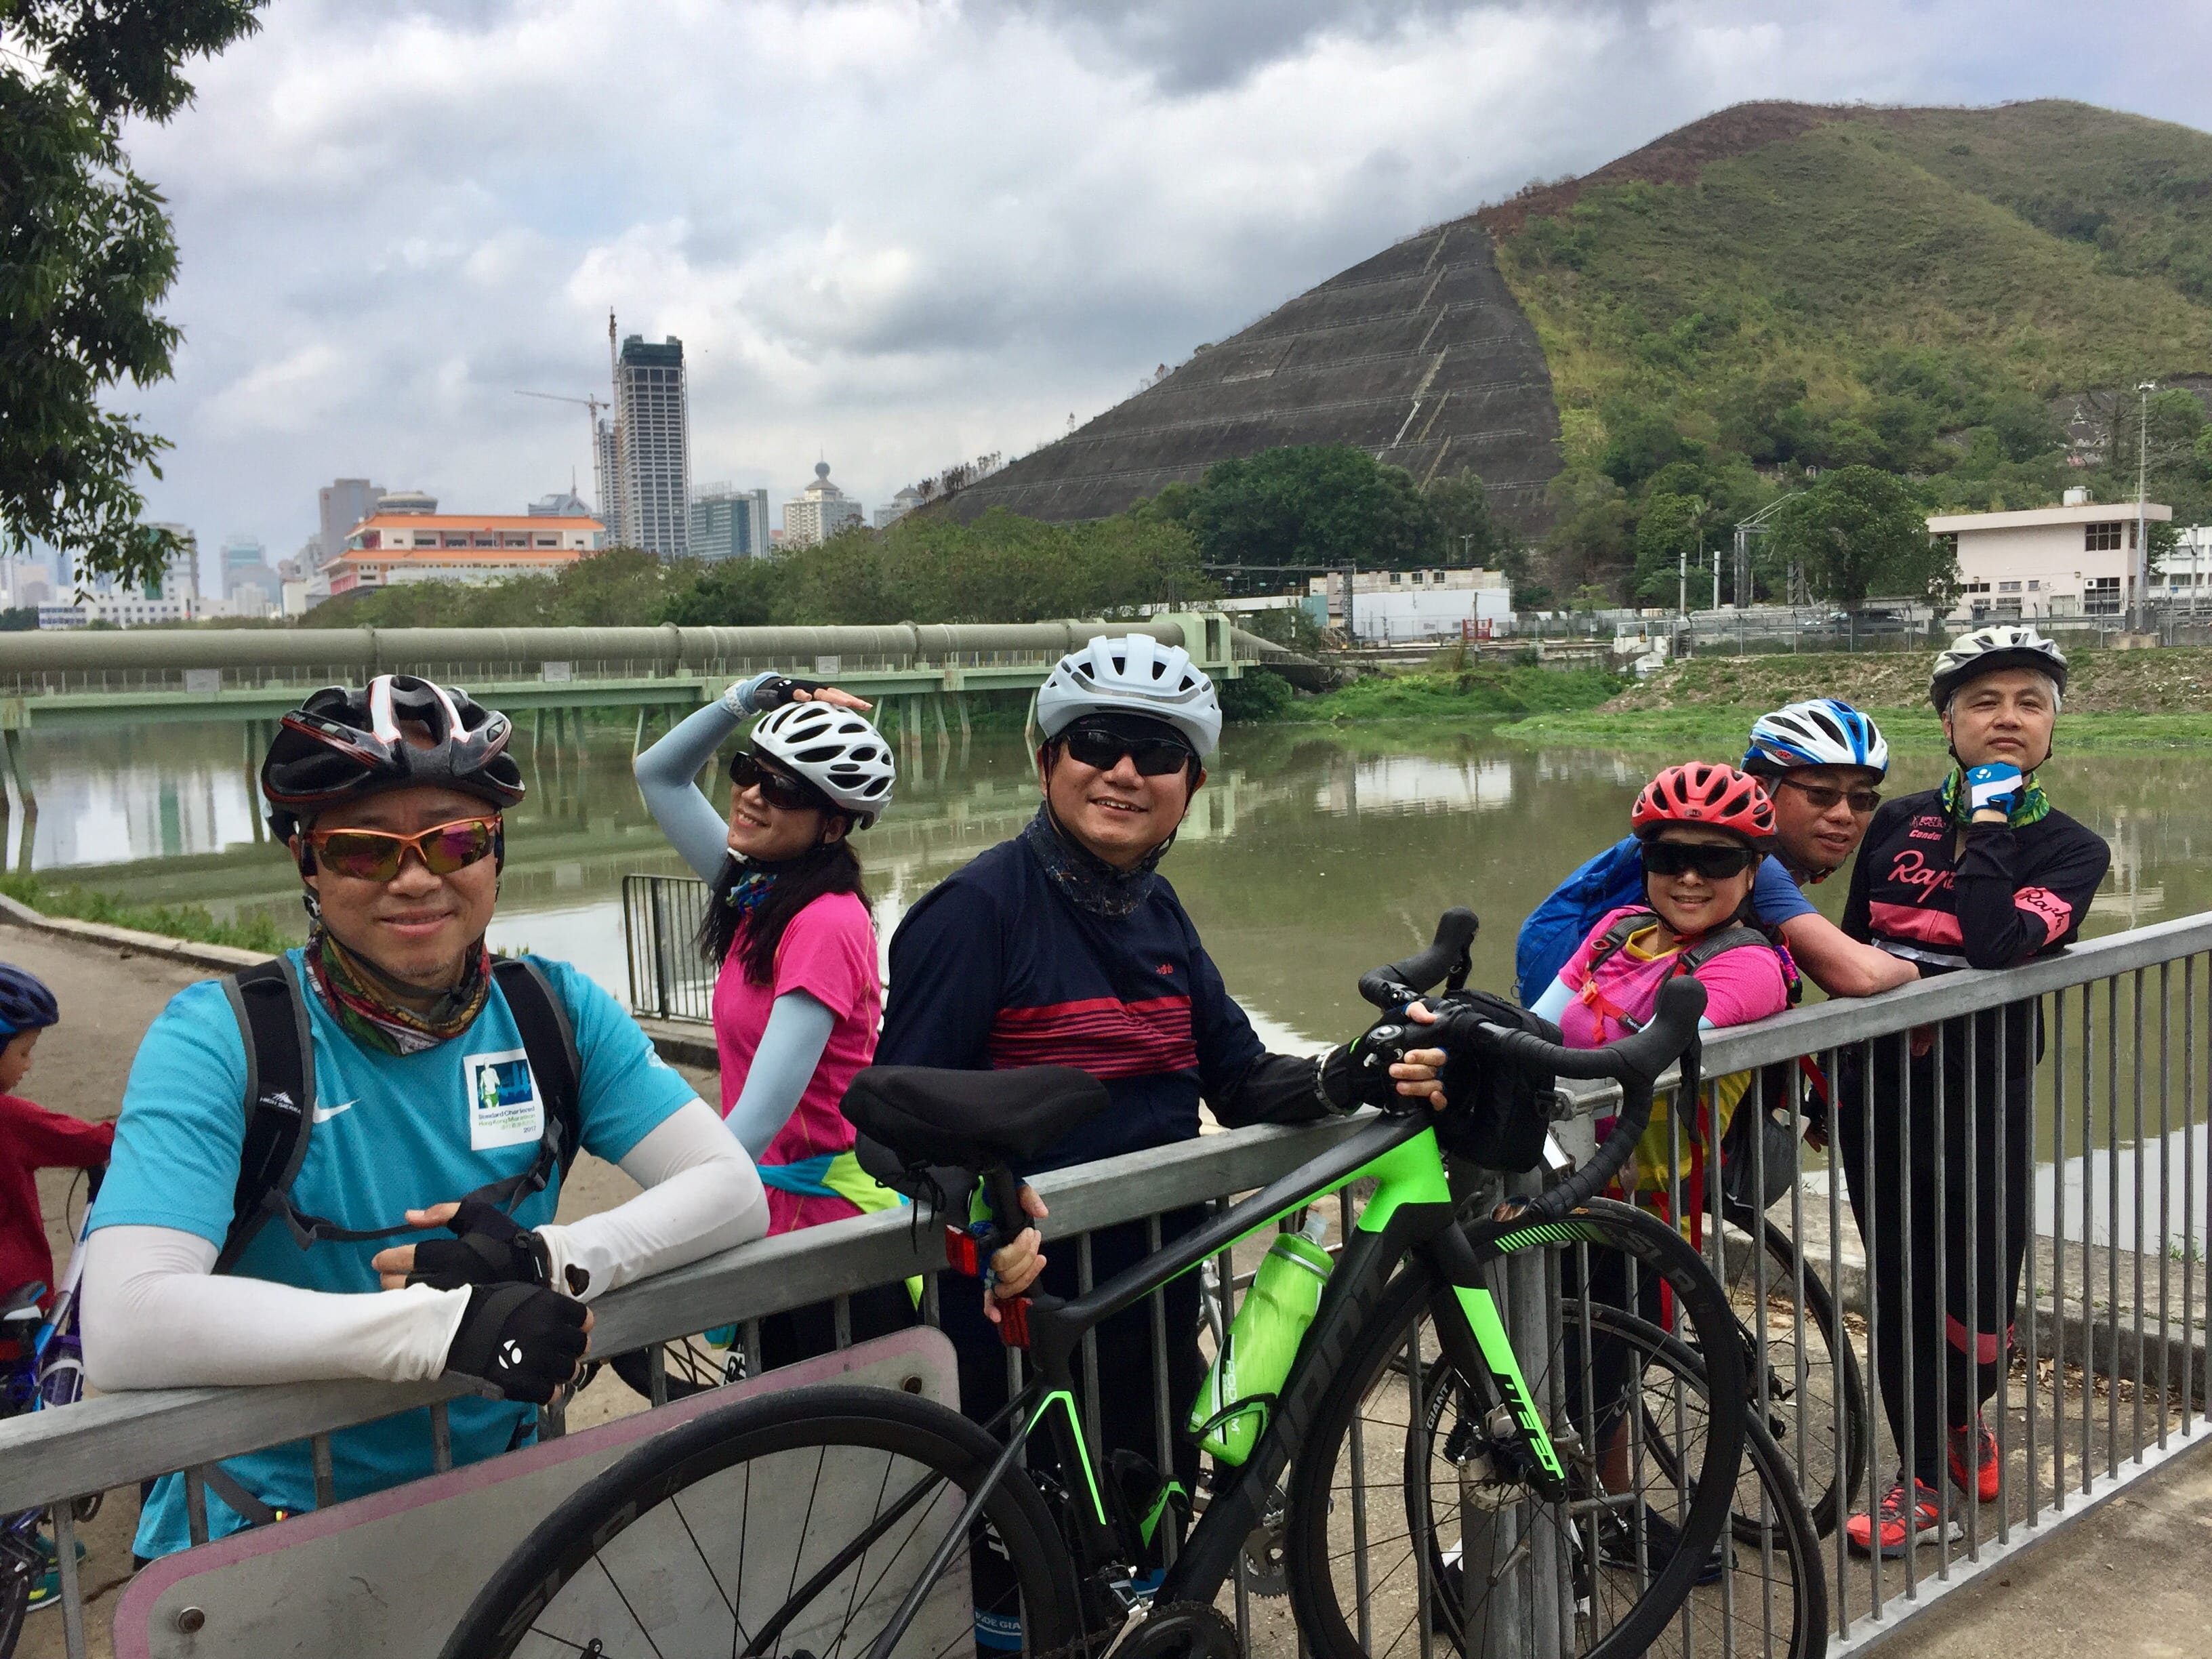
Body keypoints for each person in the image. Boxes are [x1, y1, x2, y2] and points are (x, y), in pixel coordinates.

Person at [81, 675, 769, 1563]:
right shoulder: (223, 1039)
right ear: (308, 863)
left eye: (453, 841)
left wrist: (546, 1260)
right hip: (257, 1543)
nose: (416, 879)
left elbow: (728, 1190)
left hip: (494, 1523)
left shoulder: (554, 1012)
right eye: (366, 850)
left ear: (496, 852)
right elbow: (128, 1318)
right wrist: (437, 1330)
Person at [874, 634, 1439, 1652]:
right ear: (1047, 757)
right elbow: (892, 1118)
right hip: (1023, 1302)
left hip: (1157, 1286)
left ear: (1194, 784)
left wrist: (1352, 1070)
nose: (1126, 771)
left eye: (1157, 752)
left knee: (1141, 1532)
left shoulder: (1159, 910)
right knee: (1019, 1574)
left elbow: (1236, 1075)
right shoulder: (974, 912)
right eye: (1098, 741)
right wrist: (973, 1203)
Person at [1839, 626, 2109, 1558]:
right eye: (1984, 701)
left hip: (1983, 1092)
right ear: (1947, 722)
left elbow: (1997, 944)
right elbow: (1847, 950)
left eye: (2029, 703)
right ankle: (1919, 1474)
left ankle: (1959, 1414)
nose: (2007, 718)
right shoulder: (1895, 822)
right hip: (1877, 1090)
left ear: (2051, 732)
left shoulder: (2074, 851)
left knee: (1986, 1303)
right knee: (1906, 1289)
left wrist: (1990, 827)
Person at [633, 673, 909, 1368]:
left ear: (834, 824)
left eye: (785, 789)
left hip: (829, 1230)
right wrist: (750, 698)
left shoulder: (826, 922)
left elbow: (755, 1121)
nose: (754, 794)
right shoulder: (757, 894)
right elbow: (659, 774)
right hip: (769, 1211)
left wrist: (641, 1233)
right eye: (751, 771)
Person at [1517, 698, 1918, 1002]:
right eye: (1821, 794)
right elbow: (1858, 974)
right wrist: (1916, 977)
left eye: (1863, 800)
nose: (1844, 815)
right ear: (1762, 788)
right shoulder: (1747, 864)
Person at [0, 964, 112, 1363]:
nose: (29, 1065)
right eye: (24, 1052)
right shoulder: (10, 1119)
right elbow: (91, 1142)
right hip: (14, 1322)